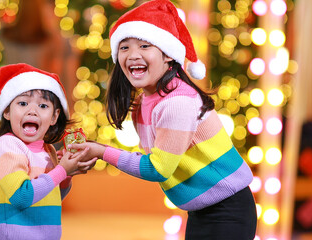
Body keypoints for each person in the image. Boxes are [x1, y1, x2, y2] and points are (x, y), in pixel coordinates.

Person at [67, 0, 257, 239]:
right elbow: (154, 158)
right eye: (124, 47)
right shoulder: (145, 103)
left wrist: (102, 152)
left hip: (227, 208)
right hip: (201, 209)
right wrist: (97, 151)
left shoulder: (177, 103)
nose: (133, 55)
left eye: (145, 45)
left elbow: (157, 168)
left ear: (168, 55)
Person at [0, 63, 96, 240]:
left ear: (54, 117)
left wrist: (66, 176)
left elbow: (50, 198)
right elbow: (22, 197)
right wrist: (61, 171)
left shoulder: (48, 150)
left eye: (43, 106)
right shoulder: (7, 145)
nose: (32, 111)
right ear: (7, 111)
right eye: (23, 103)